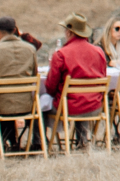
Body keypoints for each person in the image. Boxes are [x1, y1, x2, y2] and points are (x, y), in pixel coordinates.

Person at [44, 13, 109, 148]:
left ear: (68, 32)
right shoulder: (99, 52)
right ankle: (83, 141)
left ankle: (39, 143)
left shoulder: (61, 54)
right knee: (82, 99)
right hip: (95, 107)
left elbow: (51, 87)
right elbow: (103, 78)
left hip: (69, 108)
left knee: (42, 105)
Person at [0, 15, 39, 152]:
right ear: (15, 30)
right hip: (27, 105)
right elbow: (35, 75)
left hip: (0, 106)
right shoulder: (30, 49)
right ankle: (14, 141)